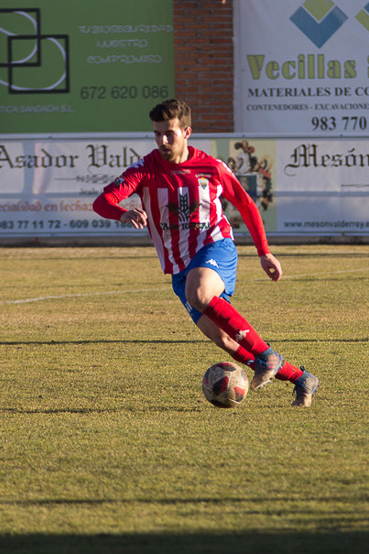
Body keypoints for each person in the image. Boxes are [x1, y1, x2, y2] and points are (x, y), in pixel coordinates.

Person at [93, 98, 319, 407]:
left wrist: (264, 253)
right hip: (178, 266)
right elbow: (102, 201)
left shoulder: (211, 167)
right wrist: (121, 213)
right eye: (157, 133)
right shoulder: (144, 169)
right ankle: (301, 379)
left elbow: (246, 205)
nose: (162, 140)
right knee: (224, 339)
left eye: (169, 133)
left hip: (215, 246)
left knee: (198, 292)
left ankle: (267, 356)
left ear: (186, 132)